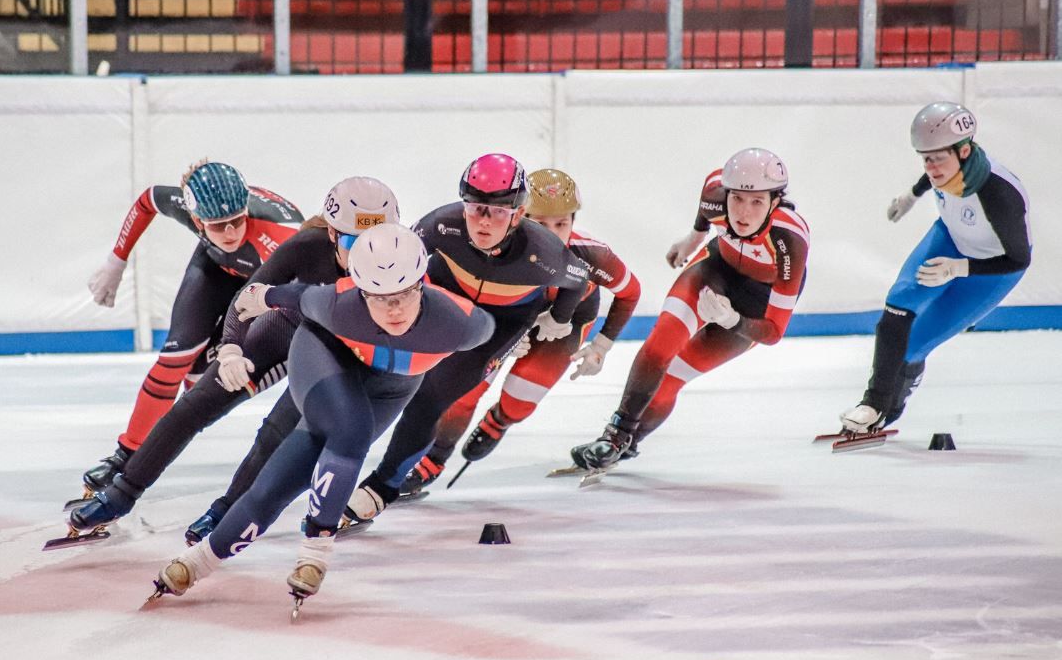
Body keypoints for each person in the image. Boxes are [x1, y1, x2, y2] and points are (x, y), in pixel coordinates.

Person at [146, 224, 494, 610]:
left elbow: (495, 332)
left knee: (286, 476)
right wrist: (264, 299)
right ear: (360, 290)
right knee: (352, 431)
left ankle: (197, 561)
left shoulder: (462, 324)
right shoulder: (340, 306)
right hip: (324, 354)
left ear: (422, 285)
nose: (393, 308)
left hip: (392, 386)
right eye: (379, 297)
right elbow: (301, 296)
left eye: (404, 294)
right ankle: (316, 548)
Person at [61, 178, 400, 542]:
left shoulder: (406, 258)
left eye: (378, 243)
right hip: (290, 326)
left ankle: (227, 511)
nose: (369, 255)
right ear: (332, 234)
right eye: (355, 242)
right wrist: (231, 348)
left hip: (338, 355)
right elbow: (247, 296)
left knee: (276, 434)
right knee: (194, 406)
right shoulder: (304, 246)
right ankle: (120, 494)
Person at [341, 154, 592, 525]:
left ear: (519, 215)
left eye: (497, 212)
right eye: (475, 208)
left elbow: (579, 280)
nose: (484, 221)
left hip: (502, 323)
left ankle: (382, 488)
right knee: (384, 375)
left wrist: (558, 318)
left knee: (432, 396)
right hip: (446, 300)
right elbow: (397, 258)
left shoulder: (545, 251)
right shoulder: (440, 225)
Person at [401, 168, 642, 492]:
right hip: (502, 317)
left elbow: (630, 291)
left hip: (563, 322)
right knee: (463, 391)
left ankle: (499, 420)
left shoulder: (589, 253)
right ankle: (433, 460)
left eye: (562, 224)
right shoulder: (493, 244)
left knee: (522, 397)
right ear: (518, 218)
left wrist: (602, 344)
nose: (552, 236)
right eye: (540, 224)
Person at [570, 148, 810, 469]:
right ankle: (614, 435)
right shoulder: (714, 191)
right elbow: (705, 212)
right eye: (737, 198)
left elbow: (773, 333)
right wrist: (693, 239)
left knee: (673, 377)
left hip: (756, 305)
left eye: (757, 202)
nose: (744, 212)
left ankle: (630, 443)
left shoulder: (789, 239)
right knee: (661, 343)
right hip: (714, 272)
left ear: (775, 202)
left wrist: (733, 320)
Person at [78, 160, 302, 496]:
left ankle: (158, 447)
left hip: (262, 289)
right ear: (196, 220)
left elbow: (304, 291)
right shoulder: (185, 206)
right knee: (174, 360)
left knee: (203, 385)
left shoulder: (282, 236)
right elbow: (147, 200)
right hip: (214, 270)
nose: (230, 233)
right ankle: (125, 455)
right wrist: (117, 260)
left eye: (237, 221)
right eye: (217, 226)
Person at [839, 102, 1030, 435]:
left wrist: (959, 268)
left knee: (914, 345)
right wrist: (912, 195)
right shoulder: (947, 167)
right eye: (925, 158)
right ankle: (873, 403)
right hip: (949, 238)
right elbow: (933, 173)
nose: (931, 167)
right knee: (898, 303)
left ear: (965, 151)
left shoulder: (999, 195)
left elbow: (1018, 259)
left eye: (939, 158)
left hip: (992, 269)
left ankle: (891, 409)